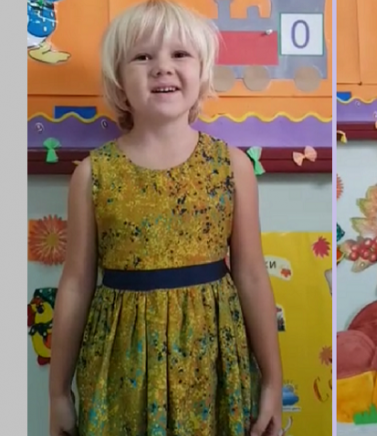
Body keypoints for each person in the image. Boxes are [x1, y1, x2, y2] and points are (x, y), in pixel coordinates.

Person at [48, 1, 283, 435]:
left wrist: (272, 381)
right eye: (142, 56)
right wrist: (58, 393)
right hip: (121, 367)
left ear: (202, 72)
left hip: (211, 363)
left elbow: (251, 276)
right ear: (119, 81)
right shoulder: (92, 175)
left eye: (179, 54)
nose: (162, 67)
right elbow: (77, 284)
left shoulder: (232, 167)